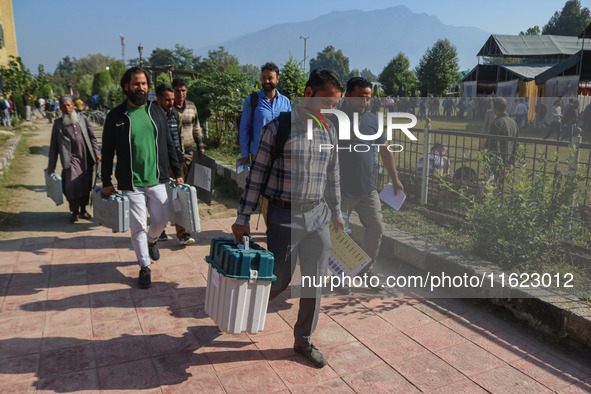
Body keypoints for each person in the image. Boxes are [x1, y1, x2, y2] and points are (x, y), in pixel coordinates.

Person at [232, 69, 345, 368]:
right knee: (280, 278)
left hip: (317, 214)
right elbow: (256, 176)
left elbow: (332, 176)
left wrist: (337, 213)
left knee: (314, 280)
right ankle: (245, 308)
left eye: (336, 104)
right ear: (308, 94)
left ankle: (303, 339)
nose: (332, 109)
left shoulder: (329, 130)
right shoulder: (277, 127)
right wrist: (243, 216)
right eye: (327, 102)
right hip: (283, 214)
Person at [101, 67, 183, 289]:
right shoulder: (116, 116)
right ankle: (144, 266)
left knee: (161, 220)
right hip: (131, 183)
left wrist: (179, 173)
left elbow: (169, 145)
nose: (141, 88)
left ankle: (152, 241)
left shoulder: (156, 112)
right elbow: (107, 150)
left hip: (157, 179)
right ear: (126, 86)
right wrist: (106, 181)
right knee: (137, 226)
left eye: (144, 83)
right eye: (136, 83)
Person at [336, 77, 404, 285]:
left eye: (368, 98)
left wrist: (395, 179)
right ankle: (342, 277)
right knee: (340, 235)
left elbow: (385, 150)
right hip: (341, 190)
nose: (365, 103)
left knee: (376, 228)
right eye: (360, 98)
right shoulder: (334, 119)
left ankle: (365, 271)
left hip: (368, 189)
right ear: (347, 96)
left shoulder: (372, 120)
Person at [238, 62, 291, 225]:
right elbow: (244, 128)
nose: (266, 81)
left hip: (280, 154)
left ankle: (274, 223)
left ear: (277, 79)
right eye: (263, 78)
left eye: (270, 78)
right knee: (262, 190)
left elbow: (289, 127)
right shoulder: (252, 101)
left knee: (277, 189)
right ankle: (271, 227)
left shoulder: (285, 101)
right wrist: (245, 154)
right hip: (259, 153)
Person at [47, 97, 101, 222]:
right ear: (60, 108)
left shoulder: (83, 119)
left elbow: (92, 138)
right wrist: (51, 166)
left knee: (86, 185)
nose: (67, 108)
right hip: (70, 159)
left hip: (86, 158)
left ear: (73, 105)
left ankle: (83, 210)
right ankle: (74, 211)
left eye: (69, 105)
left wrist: (97, 153)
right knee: (71, 184)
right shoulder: (58, 124)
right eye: (64, 106)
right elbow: (54, 146)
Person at [156, 83, 195, 246]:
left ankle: (183, 233)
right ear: (158, 99)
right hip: (157, 166)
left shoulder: (174, 115)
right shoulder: (151, 116)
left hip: (175, 163)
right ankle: (160, 230)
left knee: (180, 197)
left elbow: (177, 141)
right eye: (167, 100)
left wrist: (181, 161)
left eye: (172, 100)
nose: (171, 103)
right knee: (159, 199)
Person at [483, 98, 519, 179]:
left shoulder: (496, 123)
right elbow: (516, 145)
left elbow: (494, 146)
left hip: (496, 162)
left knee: (492, 186)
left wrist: (499, 166)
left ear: (495, 109)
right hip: (508, 159)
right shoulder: (514, 123)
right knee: (500, 187)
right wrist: (511, 163)